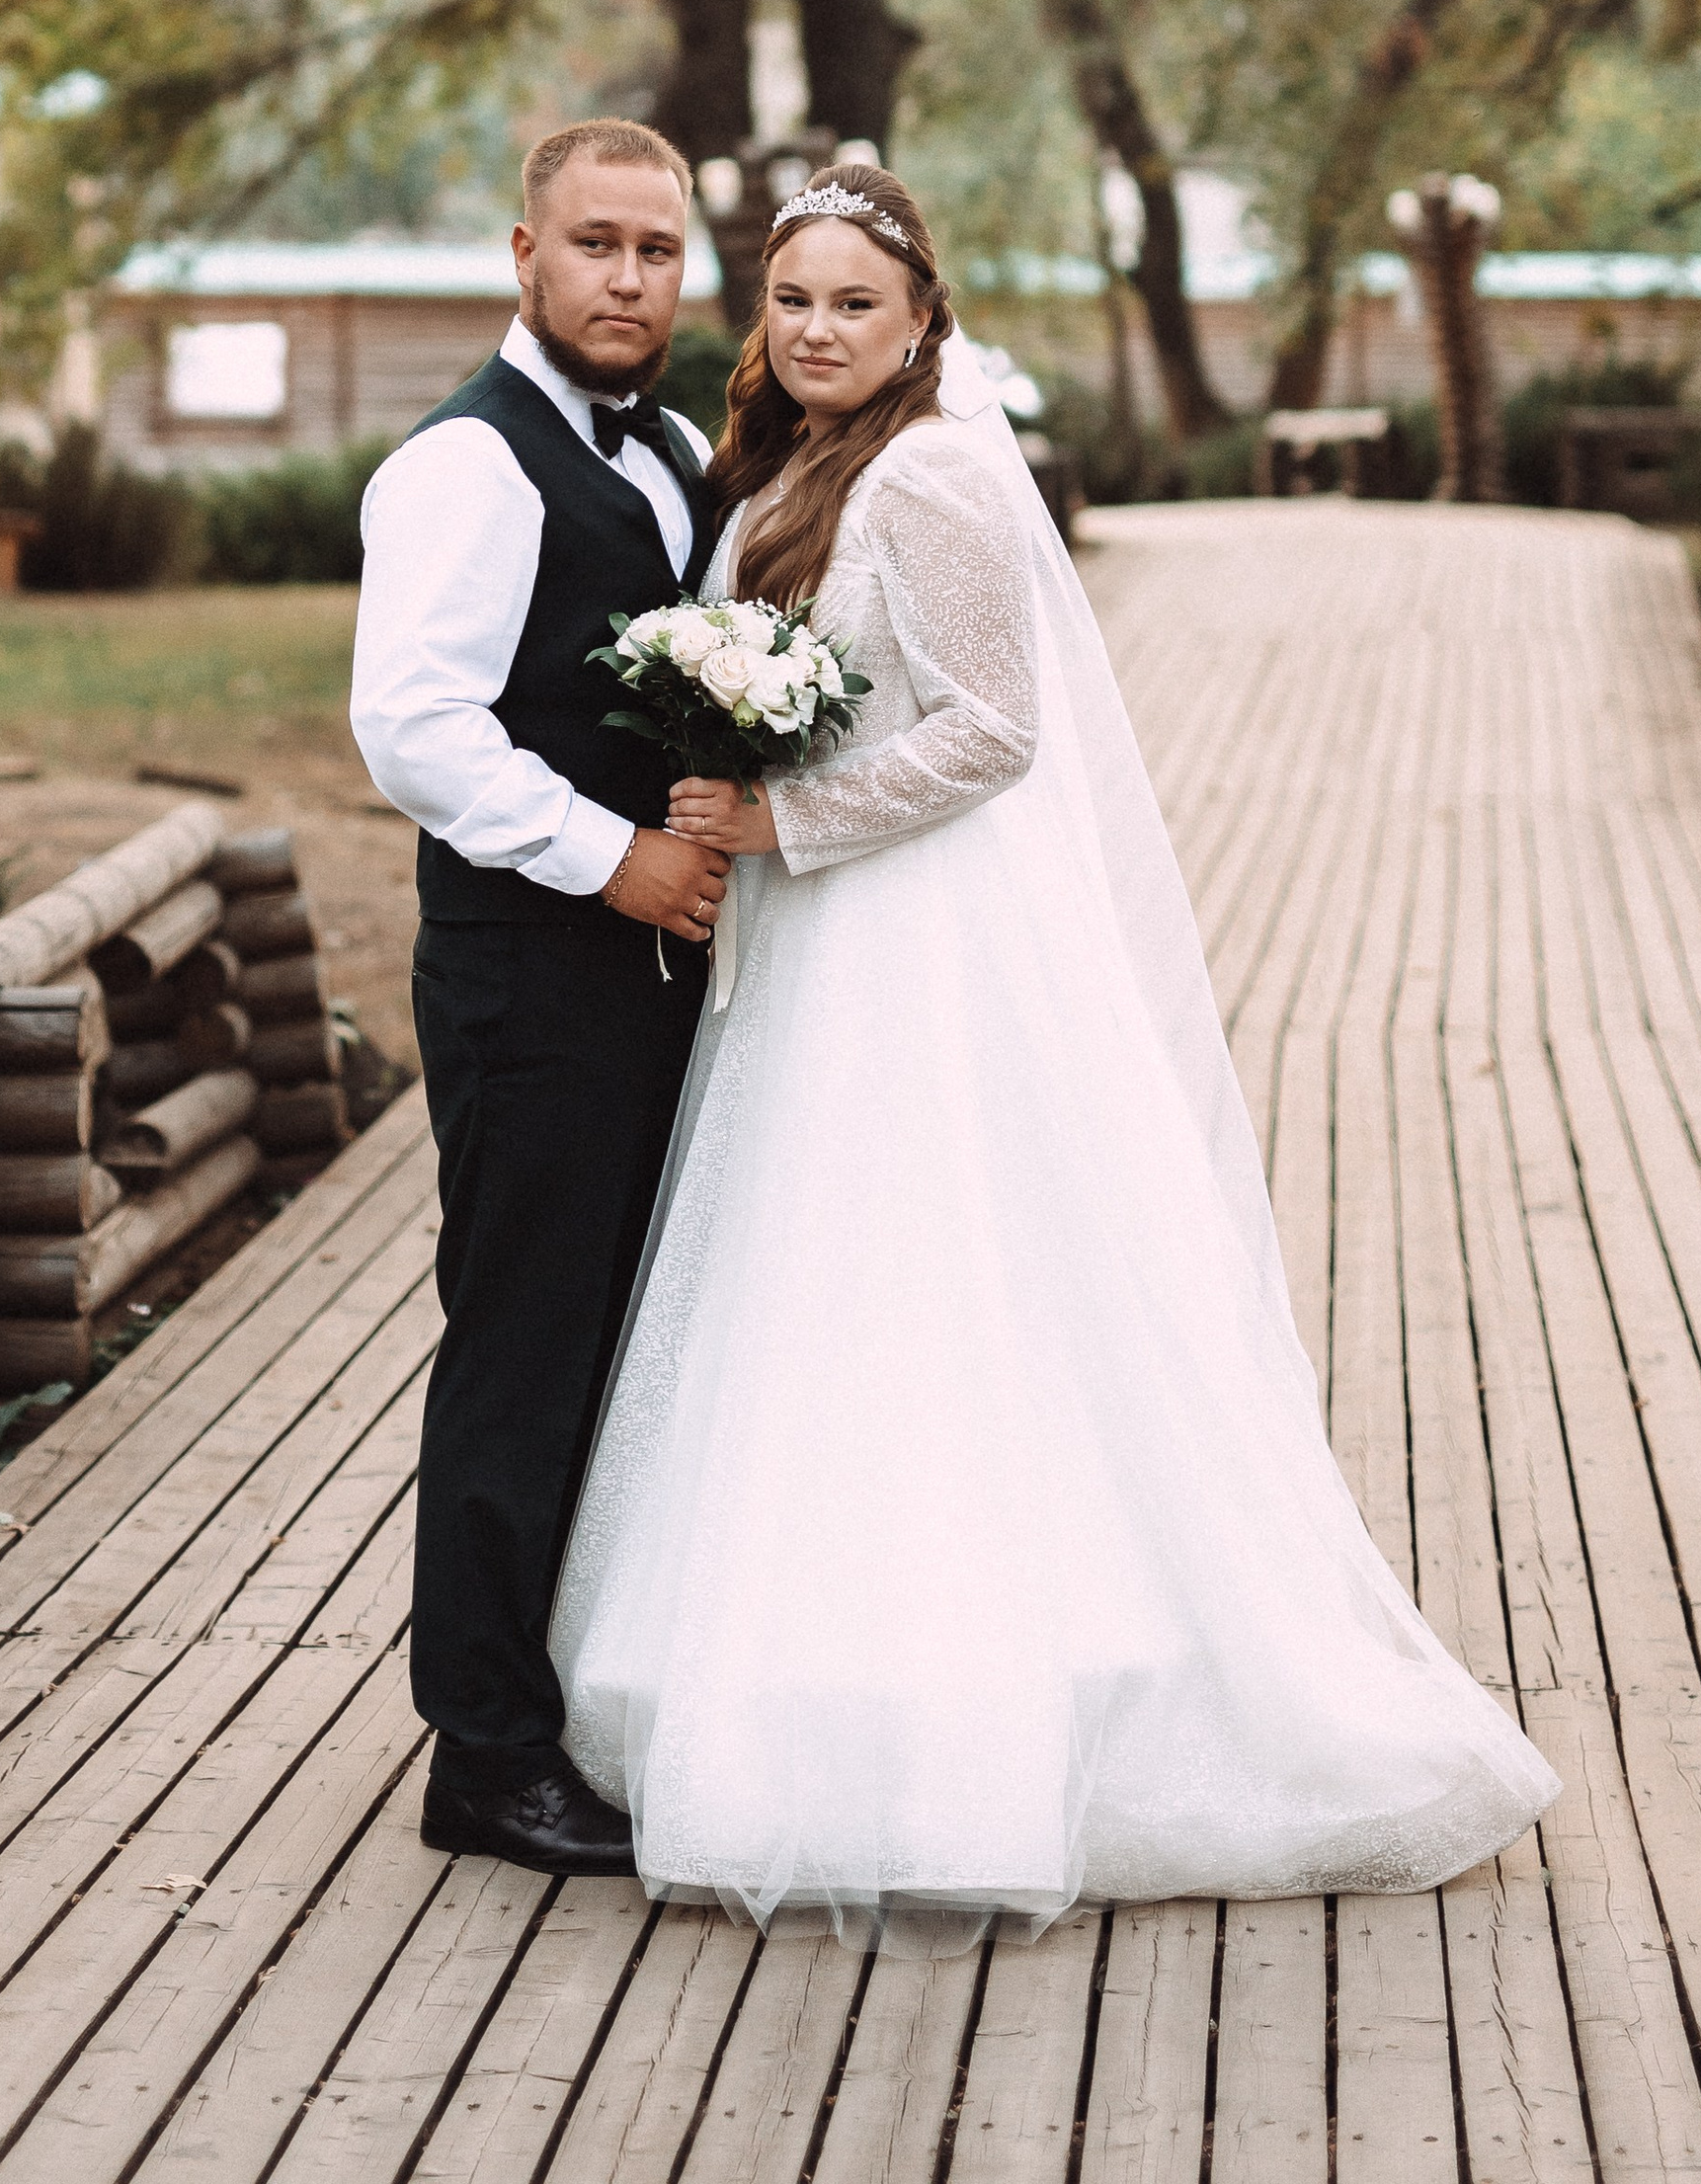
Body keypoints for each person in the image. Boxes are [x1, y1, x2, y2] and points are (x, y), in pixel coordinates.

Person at [552, 162, 1562, 1929]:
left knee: (939, 1281)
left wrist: (790, 819)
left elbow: (999, 729)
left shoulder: (934, 465)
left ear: (922, 315)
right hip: (821, 946)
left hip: (917, 940)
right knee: (823, 1285)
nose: (817, 329)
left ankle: (992, 1702)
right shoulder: (793, 456)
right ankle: (818, 1663)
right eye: (793, 299)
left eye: (856, 303)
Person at [352, 118, 729, 1881]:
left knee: (614, 1345)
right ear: (525, 254)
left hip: (645, 979)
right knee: (520, 1342)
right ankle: (482, 1751)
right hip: (529, 976)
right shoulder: (469, 469)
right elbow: (415, 729)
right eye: (596, 244)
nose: (628, 278)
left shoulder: (664, 450)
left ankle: (566, 1690)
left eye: (657, 250)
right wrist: (617, 858)